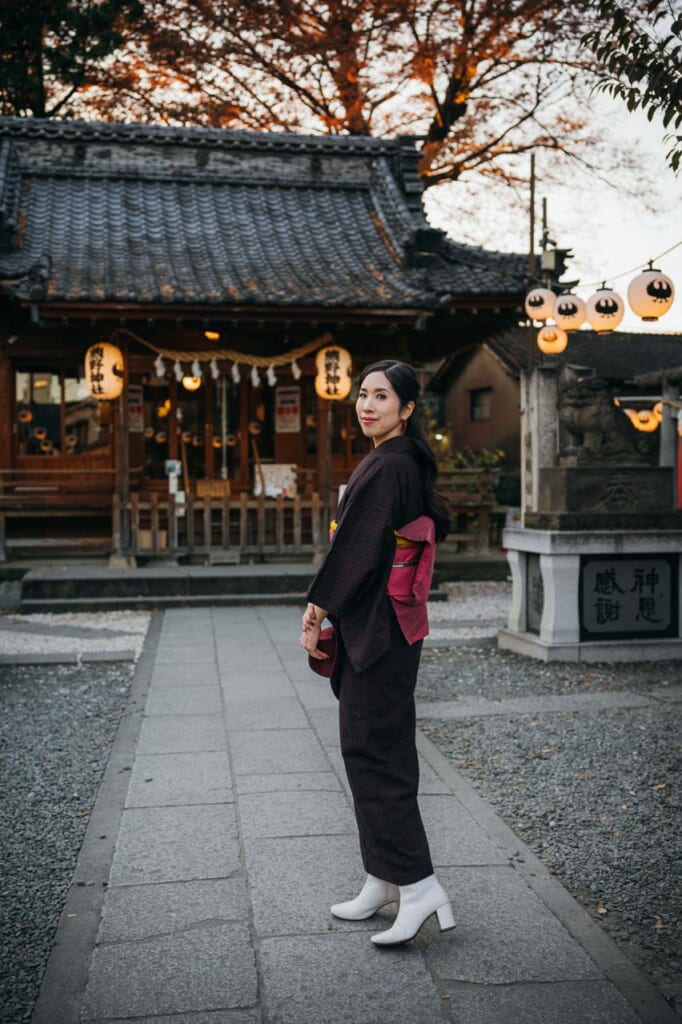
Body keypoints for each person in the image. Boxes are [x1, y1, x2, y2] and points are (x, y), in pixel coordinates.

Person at [300, 359, 455, 946]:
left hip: (380, 633)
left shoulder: (391, 465)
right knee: (373, 750)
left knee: (375, 754)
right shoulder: (394, 460)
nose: (367, 405)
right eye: (363, 395)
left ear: (407, 409)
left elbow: (362, 553)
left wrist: (317, 608)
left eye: (381, 397)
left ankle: (417, 885)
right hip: (387, 626)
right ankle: (383, 879)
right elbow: (361, 548)